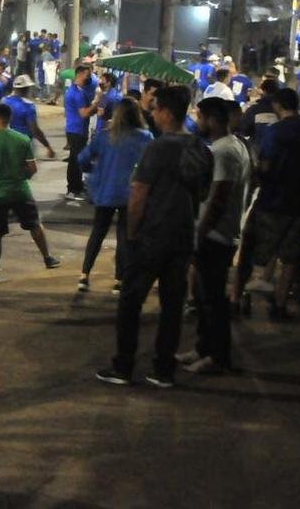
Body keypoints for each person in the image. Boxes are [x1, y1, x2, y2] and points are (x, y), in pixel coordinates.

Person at [97, 85, 213, 388]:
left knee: (131, 302)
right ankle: (163, 370)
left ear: (166, 112)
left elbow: (139, 193)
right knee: (172, 306)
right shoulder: (201, 148)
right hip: (183, 235)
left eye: (156, 108)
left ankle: (123, 366)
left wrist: (132, 232)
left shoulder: (159, 147)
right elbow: (203, 193)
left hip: (152, 236)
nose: (152, 113)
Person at [234, 88, 300, 320]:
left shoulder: (276, 132)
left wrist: (256, 177)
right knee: (290, 257)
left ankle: (242, 299)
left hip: (272, 200)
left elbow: (266, 165)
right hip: (299, 202)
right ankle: (280, 305)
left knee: (257, 253)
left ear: (279, 105)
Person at [177, 97, 249, 374]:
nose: (197, 121)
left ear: (211, 119)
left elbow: (218, 198)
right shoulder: (234, 146)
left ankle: (217, 357)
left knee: (213, 300)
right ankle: (203, 348)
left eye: (200, 116)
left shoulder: (223, 151)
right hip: (221, 232)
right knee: (207, 298)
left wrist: (200, 233)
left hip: (216, 235)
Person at [0, 102, 60, 285]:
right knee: (35, 225)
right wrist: (21, 176)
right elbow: (32, 168)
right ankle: (48, 257)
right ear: (9, 118)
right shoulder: (22, 139)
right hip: (20, 191)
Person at [76, 98, 153, 293]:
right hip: (131, 193)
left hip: (105, 191)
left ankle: (84, 275)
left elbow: (82, 159)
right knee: (125, 236)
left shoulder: (105, 137)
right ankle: (120, 278)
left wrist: (95, 170)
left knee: (98, 232)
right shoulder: (145, 137)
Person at [64, 64, 99, 201]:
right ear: (80, 74)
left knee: (76, 159)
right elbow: (84, 113)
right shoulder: (76, 93)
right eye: (87, 75)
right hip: (76, 130)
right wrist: (97, 103)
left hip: (76, 129)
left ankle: (77, 185)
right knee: (75, 161)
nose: (89, 78)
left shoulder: (77, 90)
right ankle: (72, 189)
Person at [2, 74, 56, 158]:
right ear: (27, 89)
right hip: (23, 144)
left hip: (5, 142)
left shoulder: (4, 101)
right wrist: (48, 146)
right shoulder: (28, 106)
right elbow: (34, 130)